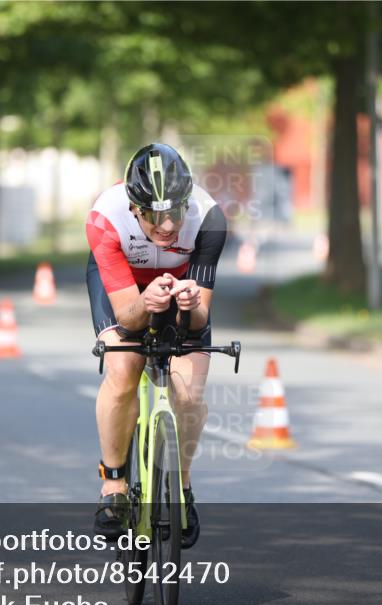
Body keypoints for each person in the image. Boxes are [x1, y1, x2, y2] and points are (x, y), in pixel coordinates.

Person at [86, 143, 228, 548]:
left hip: (182, 286)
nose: (167, 226)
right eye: (153, 216)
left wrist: (189, 304)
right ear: (134, 209)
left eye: (175, 212)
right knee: (123, 368)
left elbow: (199, 320)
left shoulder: (209, 219)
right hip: (126, 292)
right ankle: (113, 485)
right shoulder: (104, 219)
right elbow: (129, 318)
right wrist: (145, 304)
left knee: (188, 392)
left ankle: (181, 488)